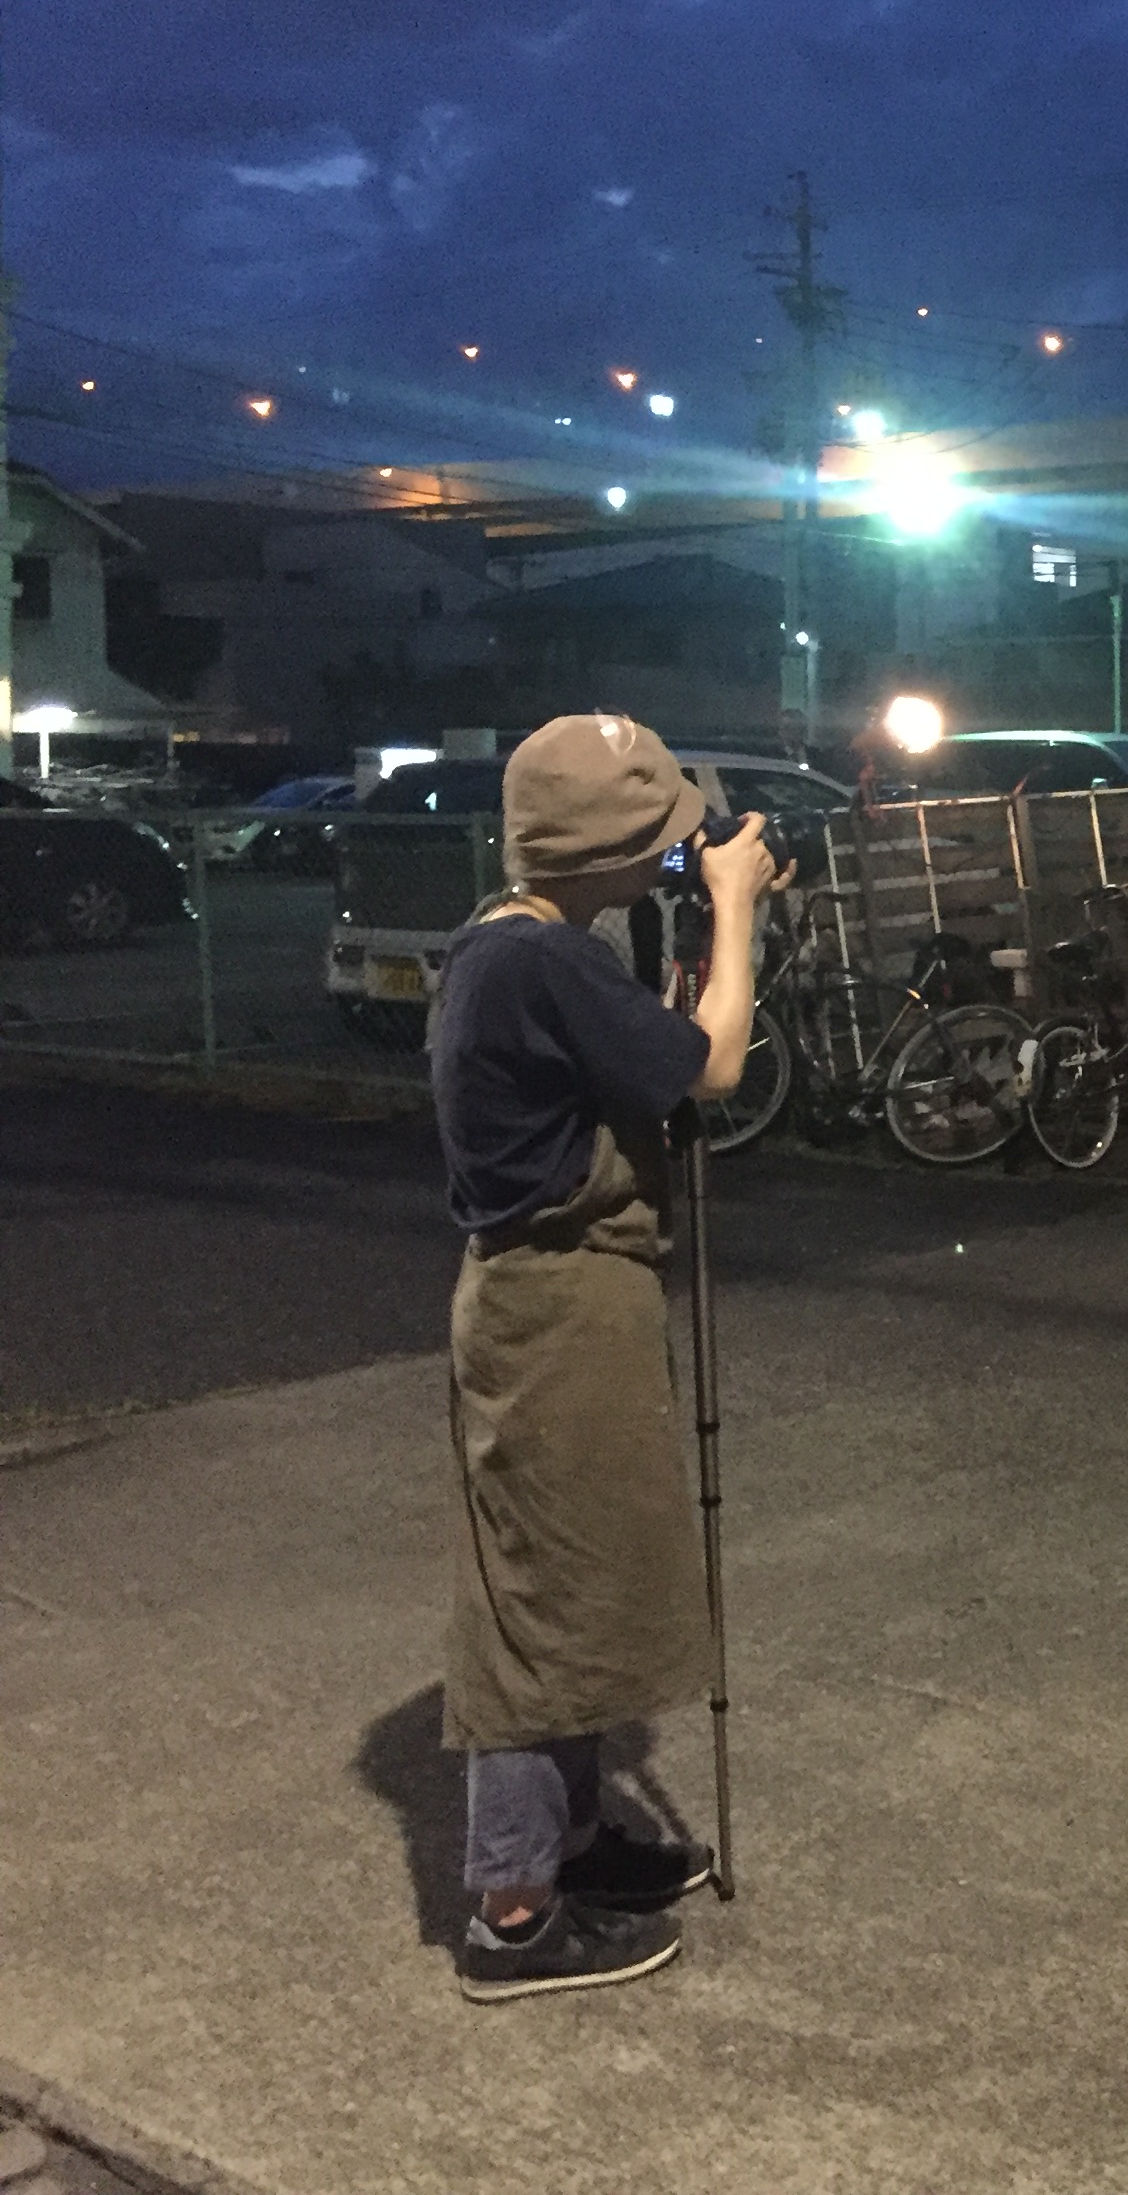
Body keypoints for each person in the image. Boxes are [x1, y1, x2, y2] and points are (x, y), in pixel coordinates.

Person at [429, 713, 781, 2002]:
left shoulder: (513, 941)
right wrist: (733, 908)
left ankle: (572, 1846)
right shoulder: (544, 964)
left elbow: (643, 1064)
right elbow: (714, 1068)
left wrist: (689, 931)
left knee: (576, 1585)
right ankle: (515, 1910)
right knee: (539, 1609)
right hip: (556, 1308)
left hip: (559, 1301)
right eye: (664, 839)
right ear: (605, 850)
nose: (681, 850)